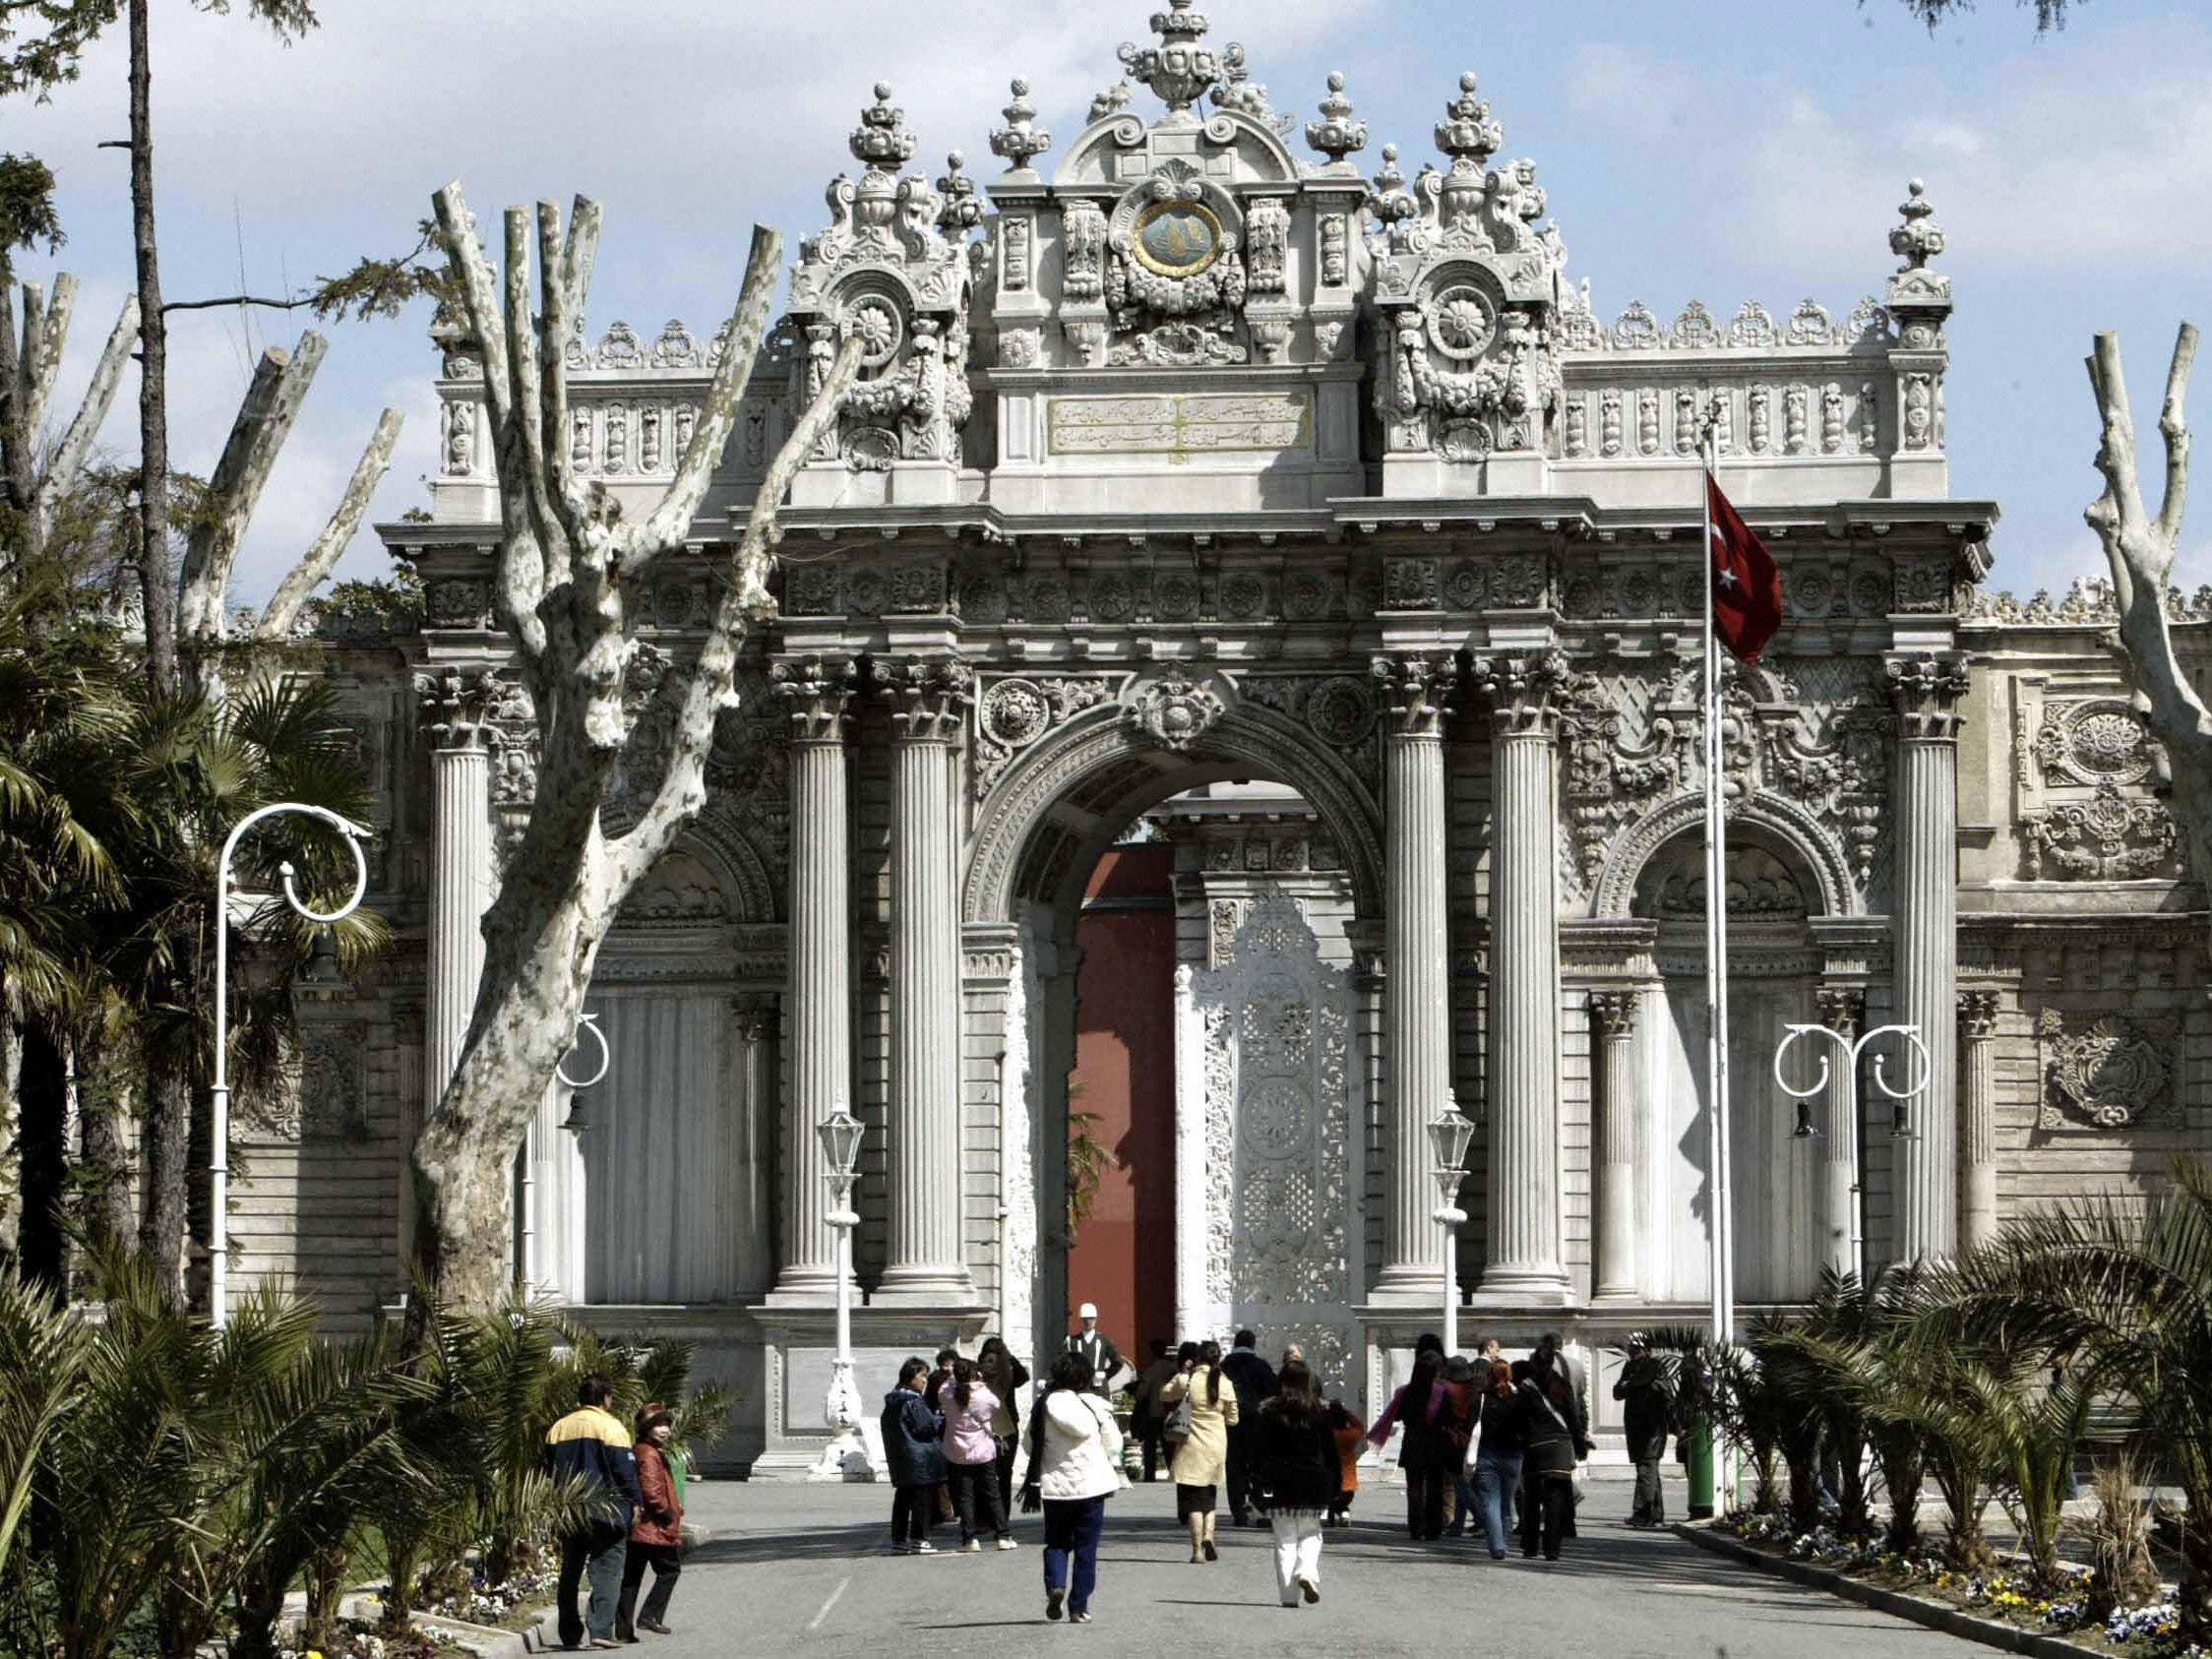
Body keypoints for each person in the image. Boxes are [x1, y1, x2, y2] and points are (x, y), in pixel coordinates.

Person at [1021, 1352, 1124, 1625]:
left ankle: (1056, 1584)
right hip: (1091, 1488)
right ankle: (1078, 1607)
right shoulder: (1095, 1405)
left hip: (1055, 1488)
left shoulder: (1043, 1406)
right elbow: (1113, 1445)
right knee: (1086, 1548)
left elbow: (1029, 1446)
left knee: (1056, 1543)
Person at [544, 1374, 644, 1651]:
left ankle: (569, 1633)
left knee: (570, 1571)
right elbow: (625, 1472)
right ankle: (600, 1629)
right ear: (606, 1398)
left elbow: (547, 1471)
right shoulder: (612, 1427)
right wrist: (636, 1503)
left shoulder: (559, 1428)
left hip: (570, 1511)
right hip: (607, 1512)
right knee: (608, 1570)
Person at [1252, 1359, 1341, 1608]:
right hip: (1315, 1481)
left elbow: (1259, 1452)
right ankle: (1306, 1571)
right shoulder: (1320, 1412)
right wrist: (1337, 1484)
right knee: (1311, 1534)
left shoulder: (1268, 1412)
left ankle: (1288, 1597)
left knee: (1284, 1539)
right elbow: (1331, 1453)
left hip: (1280, 1481)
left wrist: (1256, 1483)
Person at [1367, 1340, 1457, 1540]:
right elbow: (1451, 1417)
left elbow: (1396, 1416)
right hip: (1435, 1442)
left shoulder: (1405, 1391)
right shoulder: (1442, 1392)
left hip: (1413, 1442)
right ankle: (1433, 1528)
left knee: (1414, 1488)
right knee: (1435, 1487)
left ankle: (1416, 1527)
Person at [1159, 1339, 1240, 1563]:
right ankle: (1209, 1536)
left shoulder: (1188, 1379)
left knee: (1193, 1502)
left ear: (1197, 1359)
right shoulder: (1225, 1383)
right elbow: (1233, 1419)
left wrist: (1183, 1373)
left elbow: (1164, 1394)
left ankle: (1196, 1551)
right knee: (1209, 1498)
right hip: (1215, 1445)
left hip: (1190, 1446)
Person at [1517, 1340, 1591, 1561]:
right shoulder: (1562, 1385)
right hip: (1560, 1447)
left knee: (1531, 1498)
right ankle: (1552, 1548)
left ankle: (1530, 1545)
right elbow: (1573, 1418)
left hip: (1535, 1447)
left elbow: (1519, 1420)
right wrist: (1580, 1447)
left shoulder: (1525, 1387)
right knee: (1556, 1499)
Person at [616, 1403, 684, 1640]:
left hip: (640, 1527)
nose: (664, 1430)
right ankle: (649, 1616)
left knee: (631, 1577)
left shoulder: (644, 1450)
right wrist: (667, 1513)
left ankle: (623, 1631)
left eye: (666, 1425)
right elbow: (651, 1491)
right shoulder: (649, 1453)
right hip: (652, 1527)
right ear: (646, 1429)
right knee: (670, 1570)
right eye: (658, 1425)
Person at [942, 1357, 1014, 1551]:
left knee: (965, 1497)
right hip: (983, 1451)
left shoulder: (948, 1395)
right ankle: (1003, 1536)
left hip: (958, 1452)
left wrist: (952, 1378)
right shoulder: (984, 1395)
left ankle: (969, 1539)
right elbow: (996, 1405)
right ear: (976, 1374)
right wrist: (980, 1382)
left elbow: (943, 1389)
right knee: (993, 1495)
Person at [881, 1357, 947, 1555]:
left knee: (902, 1500)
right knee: (921, 1501)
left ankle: (899, 1540)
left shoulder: (893, 1400)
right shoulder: (912, 1401)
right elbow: (924, 1426)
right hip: (919, 1458)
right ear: (910, 1377)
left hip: (900, 1458)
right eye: (922, 1376)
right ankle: (919, 1539)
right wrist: (941, 1419)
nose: (925, 1380)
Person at [1219, 1328, 1278, 1526]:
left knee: (1234, 1465)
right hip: (1257, 1422)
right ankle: (1259, 1506)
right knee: (1260, 1465)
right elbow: (1274, 1393)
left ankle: (1238, 1510)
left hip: (1230, 1423)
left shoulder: (1223, 1367)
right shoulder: (1261, 1366)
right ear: (1253, 1344)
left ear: (1235, 1344)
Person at [1614, 1335, 1675, 1527]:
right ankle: (1655, 1513)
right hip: (1636, 1426)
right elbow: (1618, 1392)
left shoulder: (1655, 1368)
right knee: (1649, 1470)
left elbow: (1666, 1395)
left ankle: (1642, 1513)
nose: (1632, 1352)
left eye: (1635, 1349)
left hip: (1652, 1429)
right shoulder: (1630, 1368)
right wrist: (1629, 1382)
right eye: (1630, 1349)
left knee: (1646, 1468)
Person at [1470, 1359, 1526, 1560]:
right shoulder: (1518, 1399)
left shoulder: (1482, 1398)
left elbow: (1470, 1424)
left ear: (1489, 1376)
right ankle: (1503, 1541)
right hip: (1513, 1455)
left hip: (1488, 1454)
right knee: (1506, 1502)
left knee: (1490, 1503)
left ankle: (1497, 1545)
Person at [976, 1335, 1030, 1521]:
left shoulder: (1000, 1374)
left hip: (992, 1426)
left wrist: (1009, 1359)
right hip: (1000, 1427)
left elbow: (1024, 1377)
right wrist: (1009, 1358)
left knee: (991, 1472)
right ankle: (999, 1516)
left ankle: (990, 1516)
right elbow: (1024, 1376)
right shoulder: (997, 1374)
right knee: (1001, 1473)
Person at [1439, 1354, 1481, 1538]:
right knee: (1462, 1482)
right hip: (1469, 1439)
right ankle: (1457, 1524)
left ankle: (1482, 1518)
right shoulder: (1474, 1390)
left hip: (1452, 1439)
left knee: (1460, 1483)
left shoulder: (1446, 1389)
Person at [1130, 1339, 1180, 1482]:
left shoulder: (1150, 1370)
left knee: (1150, 1445)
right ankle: (1173, 1472)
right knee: (1168, 1444)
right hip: (1169, 1411)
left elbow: (1141, 1393)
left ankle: (1149, 1475)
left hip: (1152, 1412)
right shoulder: (1173, 1368)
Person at [1323, 1387, 1366, 1528]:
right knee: (1342, 1503)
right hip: (1348, 1485)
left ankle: (1335, 1516)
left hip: (1330, 1482)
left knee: (1331, 1500)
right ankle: (1344, 1514)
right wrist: (1346, 1413)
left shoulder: (1328, 1435)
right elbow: (1360, 1426)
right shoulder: (1351, 1435)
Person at [1065, 1303, 1124, 1399]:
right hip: (1078, 1390)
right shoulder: (1071, 1341)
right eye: (1085, 1319)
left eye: (1091, 1318)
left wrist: (1104, 1375)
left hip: (1099, 1391)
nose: (1088, 1322)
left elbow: (1118, 1362)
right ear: (1080, 1319)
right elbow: (1060, 1363)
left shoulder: (1104, 1340)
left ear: (1096, 1319)